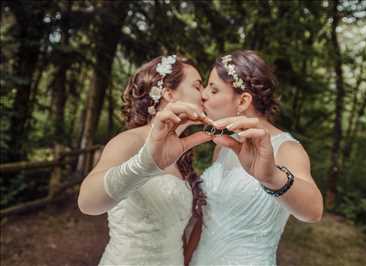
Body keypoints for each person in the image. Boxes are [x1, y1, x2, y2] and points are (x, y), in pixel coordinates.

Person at [187, 50, 324, 266]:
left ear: (243, 101)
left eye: (213, 89)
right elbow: (206, 220)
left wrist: (271, 177)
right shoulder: (223, 147)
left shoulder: (287, 149)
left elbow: (314, 211)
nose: (203, 94)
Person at [77, 54, 211, 266]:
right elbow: (87, 203)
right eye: (197, 86)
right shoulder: (129, 141)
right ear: (169, 93)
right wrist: (144, 164)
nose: (205, 94)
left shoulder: (180, 153)